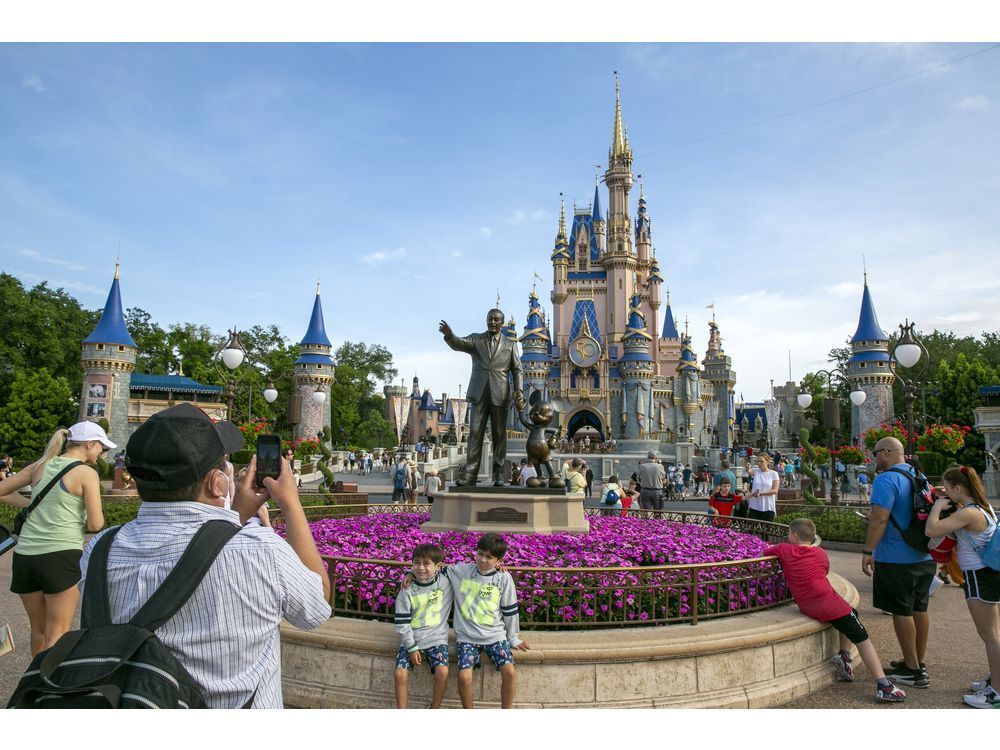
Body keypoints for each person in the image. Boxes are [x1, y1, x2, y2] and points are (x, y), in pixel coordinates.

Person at [80, 403, 331, 707]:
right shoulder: (261, 550)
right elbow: (316, 607)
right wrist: (291, 503)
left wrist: (236, 514)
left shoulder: (100, 549)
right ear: (217, 482)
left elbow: (201, 552)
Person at [764, 519, 906, 704]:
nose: (787, 535)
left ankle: (844, 655)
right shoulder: (820, 553)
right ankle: (883, 685)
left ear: (795, 536)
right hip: (828, 604)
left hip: (809, 604)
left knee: (852, 612)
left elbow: (764, 553)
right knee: (862, 638)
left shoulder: (783, 549)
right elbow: (824, 571)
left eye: (789, 533)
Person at [0, 422, 110, 655]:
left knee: (38, 630)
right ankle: (49, 678)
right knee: (57, 632)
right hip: (61, 556)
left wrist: (31, 504)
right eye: (102, 446)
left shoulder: (40, 465)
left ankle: (34, 676)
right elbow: (95, 524)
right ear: (90, 443)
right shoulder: (86, 473)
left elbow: (2, 490)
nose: (102, 452)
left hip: (25, 556)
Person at [861, 437, 934, 689]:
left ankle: (912, 671)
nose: (874, 458)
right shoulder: (919, 475)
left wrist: (868, 550)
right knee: (919, 608)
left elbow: (879, 519)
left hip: (896, 557)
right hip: (924, 555)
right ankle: (916, 662)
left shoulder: (886, 479)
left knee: (901, 611)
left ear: (887, 452)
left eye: (876, 453)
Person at [924, 465, 999, 708]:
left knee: (990, 635)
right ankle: (996, 679)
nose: (945, 493)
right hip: (989, 574)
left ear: (958, 488)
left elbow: (931, 529)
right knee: (993, 633)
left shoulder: (968, 513)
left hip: (979, 576)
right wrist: (944, 494)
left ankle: (996, 693)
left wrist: (936, 507)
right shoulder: (983, 507)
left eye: (948, 488)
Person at [439, 310, 525, 486]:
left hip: (500, 394)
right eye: (490, 319)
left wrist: (519, 391)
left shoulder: (510, 344)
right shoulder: (476, 339)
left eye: (496, 320)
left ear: (502, 323)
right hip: (479, 394)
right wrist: (449, 335)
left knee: (499, 435)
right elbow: (459, 343)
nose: (492, 322)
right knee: (475, 434)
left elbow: (517, 369)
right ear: (486, 321)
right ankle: (470, 475)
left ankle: (498, 475)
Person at [446, 533, 528, 708]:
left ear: (499, 561)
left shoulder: (503, 578)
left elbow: (510, 610)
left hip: (495, 636)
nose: (483, 560)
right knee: (464, 677)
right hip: (467, 637)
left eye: (489, 557)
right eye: (480, 553)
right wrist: (410, 573)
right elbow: (434, 571)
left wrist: (513, 638)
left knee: (509, 672)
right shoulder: (461, 571)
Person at [393, 543, 453, 709]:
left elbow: (470, 570)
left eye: (426, 563)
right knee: (399, 674)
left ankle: (434, 708)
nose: (420, 568)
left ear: (437, 566)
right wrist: (411, 648)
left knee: (443, 672)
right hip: (412, 638)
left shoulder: (446, 581)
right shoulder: (407, 589)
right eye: (416, 563)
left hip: (437, 638)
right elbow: (402, 623)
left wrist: (497, 567)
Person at [746, 454, 780, 522]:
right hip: (754, 506)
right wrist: (747, 467)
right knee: (752, 526)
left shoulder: (774, 474)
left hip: (768, 506)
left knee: (766, 527)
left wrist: (761, 493)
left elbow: (775, 490)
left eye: (761, 461)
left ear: (767, 462)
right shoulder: (756, 471)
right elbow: (748, 471)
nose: (759, 463)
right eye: (758, 461)